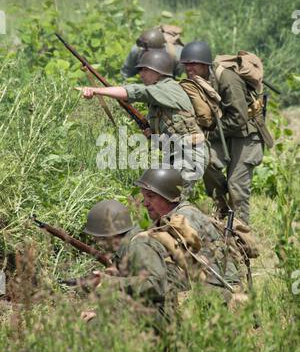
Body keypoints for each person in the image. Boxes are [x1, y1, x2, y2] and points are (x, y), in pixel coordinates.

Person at [76, 49, 208, 193]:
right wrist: (152, 133)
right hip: (175, 155)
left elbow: (136, 91)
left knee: (174, 198)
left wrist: (96, 91)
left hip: (189, 155)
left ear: (159, 71)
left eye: (145, 70)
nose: (141, 74)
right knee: (160, 197)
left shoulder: (168, 88)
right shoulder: (158, 96)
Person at [180, 41, 264, 225]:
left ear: (205, 64)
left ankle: (241, 233)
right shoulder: (195, 81)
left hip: (246, 134)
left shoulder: (227, 79)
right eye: (185, 64)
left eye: (193, 64)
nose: (188, 68)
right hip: (224, 131)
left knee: (237, 186)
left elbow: (238, 118)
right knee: (204, 158)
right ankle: (222, 210)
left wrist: (208, 135)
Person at [134, 168, 247, 303]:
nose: (145, 203)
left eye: (151, 196)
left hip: (223, 291)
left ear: (168, 195)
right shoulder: (170, 217)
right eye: (144, 197)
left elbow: (176, 253)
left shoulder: (185, 217)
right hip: (209, 288)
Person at [79, 199, 188, 323]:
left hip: (172, 315)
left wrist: (111, 282)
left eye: (97, 237)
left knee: (96, 323)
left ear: (108, 235)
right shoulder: (129, 244)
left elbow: (156, 284)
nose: (96, 241)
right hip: (163, 310)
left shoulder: (138, 245)